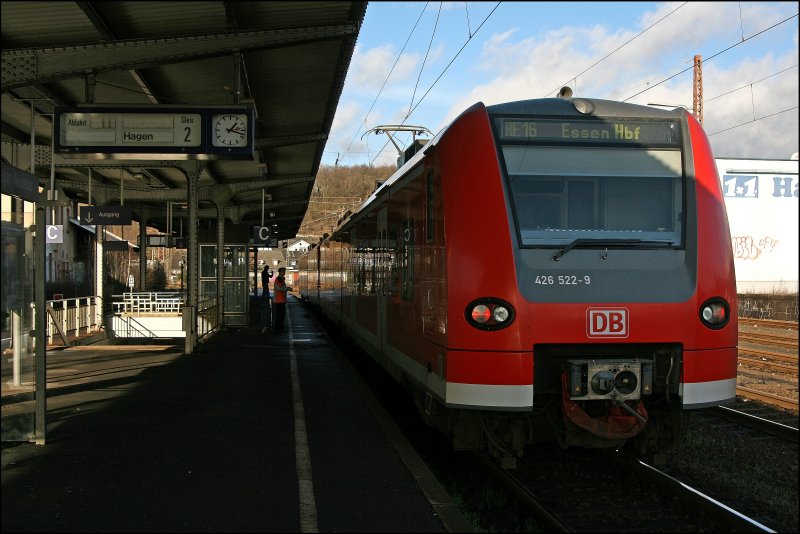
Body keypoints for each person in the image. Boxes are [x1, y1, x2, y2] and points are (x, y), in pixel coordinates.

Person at [272, 266, 292, 333]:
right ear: (280, 272)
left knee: (280, 315)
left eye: (284, 271)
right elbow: (279, 288)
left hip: (281, 300)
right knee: (280, 315)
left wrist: (287, 288)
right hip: (279, 300)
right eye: (283, 271)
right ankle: (279, 328)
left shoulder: (281, 279)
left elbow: (281, 287)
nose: (284, 273)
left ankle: (279, 328)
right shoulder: (279, 279)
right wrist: (287, 289)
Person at [260, 266, 273, 333]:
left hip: (263, 283)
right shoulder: (265, 272)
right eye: (268, 268)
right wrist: (272, 273)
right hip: (265, 283)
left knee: (265, 291)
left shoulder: (263, 272)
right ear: (267, 268)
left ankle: (263, 298)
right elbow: (270, 277)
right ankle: (265, 299)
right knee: (266, 291)